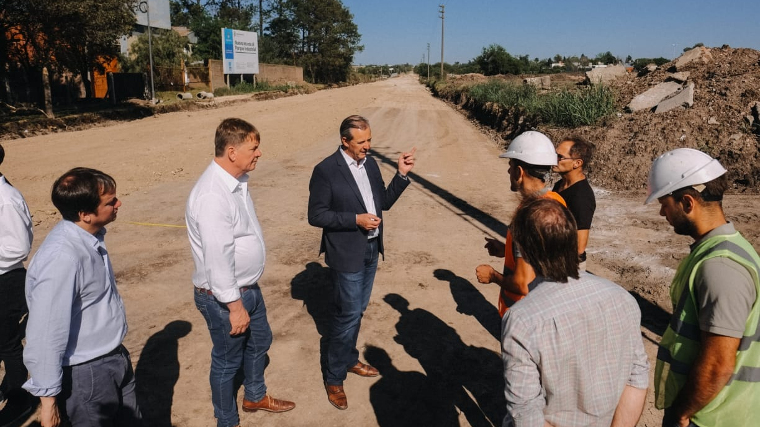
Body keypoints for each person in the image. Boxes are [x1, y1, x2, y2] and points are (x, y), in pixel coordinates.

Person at [502, 197, 649, 427]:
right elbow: (636, 376)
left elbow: (527, 413)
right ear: (571, 239)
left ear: (524, 251)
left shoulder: (522, 320)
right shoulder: (622, 298)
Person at [186, 118, 295, 427]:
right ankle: (227, 421)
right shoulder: (212, 195)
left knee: (260, 340)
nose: (259, 153)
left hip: (248, 288)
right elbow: (217, 258)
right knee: (227, 361)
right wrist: (234, 307)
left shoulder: (235, 182)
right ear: (232, 151)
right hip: (224, 297)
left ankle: (255, 395)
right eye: (253, 148)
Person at [646, 148, 760, 427]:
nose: (662, 212)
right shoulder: (723, 250)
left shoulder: (720, 266)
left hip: (712, 417)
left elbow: (718, 365)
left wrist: (680, 413)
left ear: (687, 202)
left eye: (664, 204)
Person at [308, 114, 415, 410]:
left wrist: (401, 175)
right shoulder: (326, 170)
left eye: (369, 140)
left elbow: (383, 202)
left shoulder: (370, 164)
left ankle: (349, 358)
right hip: (346, 252)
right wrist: (355, 220)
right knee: (348, 314)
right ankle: (334, 376)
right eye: (361, 142)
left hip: (371, 249)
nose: (368, 146)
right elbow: (316, 215)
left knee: (358, 311)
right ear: (345, 141)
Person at [23, 167, 142, 427]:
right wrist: (48, 400)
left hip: (114, 358)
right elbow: (45, 331)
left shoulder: (88, 238)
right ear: (85, 214)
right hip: (87, 375)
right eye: (110, 202)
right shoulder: (62, 258)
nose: (119, 204)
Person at [475, 131, 566, 317]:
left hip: (524, 315)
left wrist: (492, 275)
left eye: (510, 166)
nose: (509, 172)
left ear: (519, 172)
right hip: (549, 307)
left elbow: (522, 284)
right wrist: (507, 250)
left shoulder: (527, 217)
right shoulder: (557, 203)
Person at [0, 143, 35, 427]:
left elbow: (19, 247)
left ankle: (20, 397)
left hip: (6, 281)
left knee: (8, 343)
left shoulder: (7, 199)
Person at [551, 136, 596, 270]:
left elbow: (579, 247)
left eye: (560, 157)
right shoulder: (560, 185)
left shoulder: (581, 197)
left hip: (567, 267)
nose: (553, 159)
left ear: (577, 163)